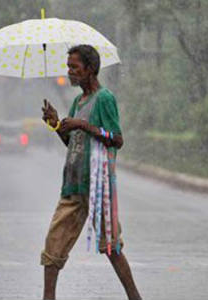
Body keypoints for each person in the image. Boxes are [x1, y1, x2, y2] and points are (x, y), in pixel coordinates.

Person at [40, 45, 141, 300]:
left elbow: (116, 139)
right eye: (68, 67)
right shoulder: (77, 101)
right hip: (73, 185)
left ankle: (135, 297)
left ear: (91, 69)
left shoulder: (104, 99)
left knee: (112, 247)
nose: (70, 72)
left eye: (75, 67)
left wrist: (83, 125)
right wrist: (56, 124)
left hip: (98, 185)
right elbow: (72, 143)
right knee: (53, 248)